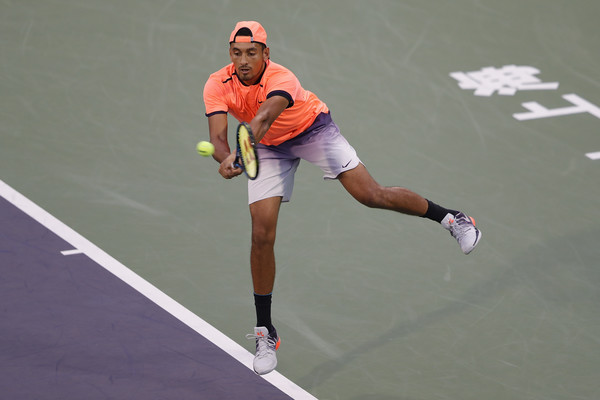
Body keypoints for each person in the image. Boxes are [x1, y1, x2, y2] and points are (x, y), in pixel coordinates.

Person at [203, 21, 481, 375]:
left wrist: (243, 150)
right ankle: (265, 333)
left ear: (265, 54)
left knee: (370, 194)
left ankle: (453, 218)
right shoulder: (217, 83)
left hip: (311, 130)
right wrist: (226, 159)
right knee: (261, 234)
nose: (243, 61)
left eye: (251, 53)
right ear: (230, 53)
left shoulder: (281, 78)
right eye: (237, 53)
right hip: (268, 150)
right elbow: (217, 139)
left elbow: (263, 118)